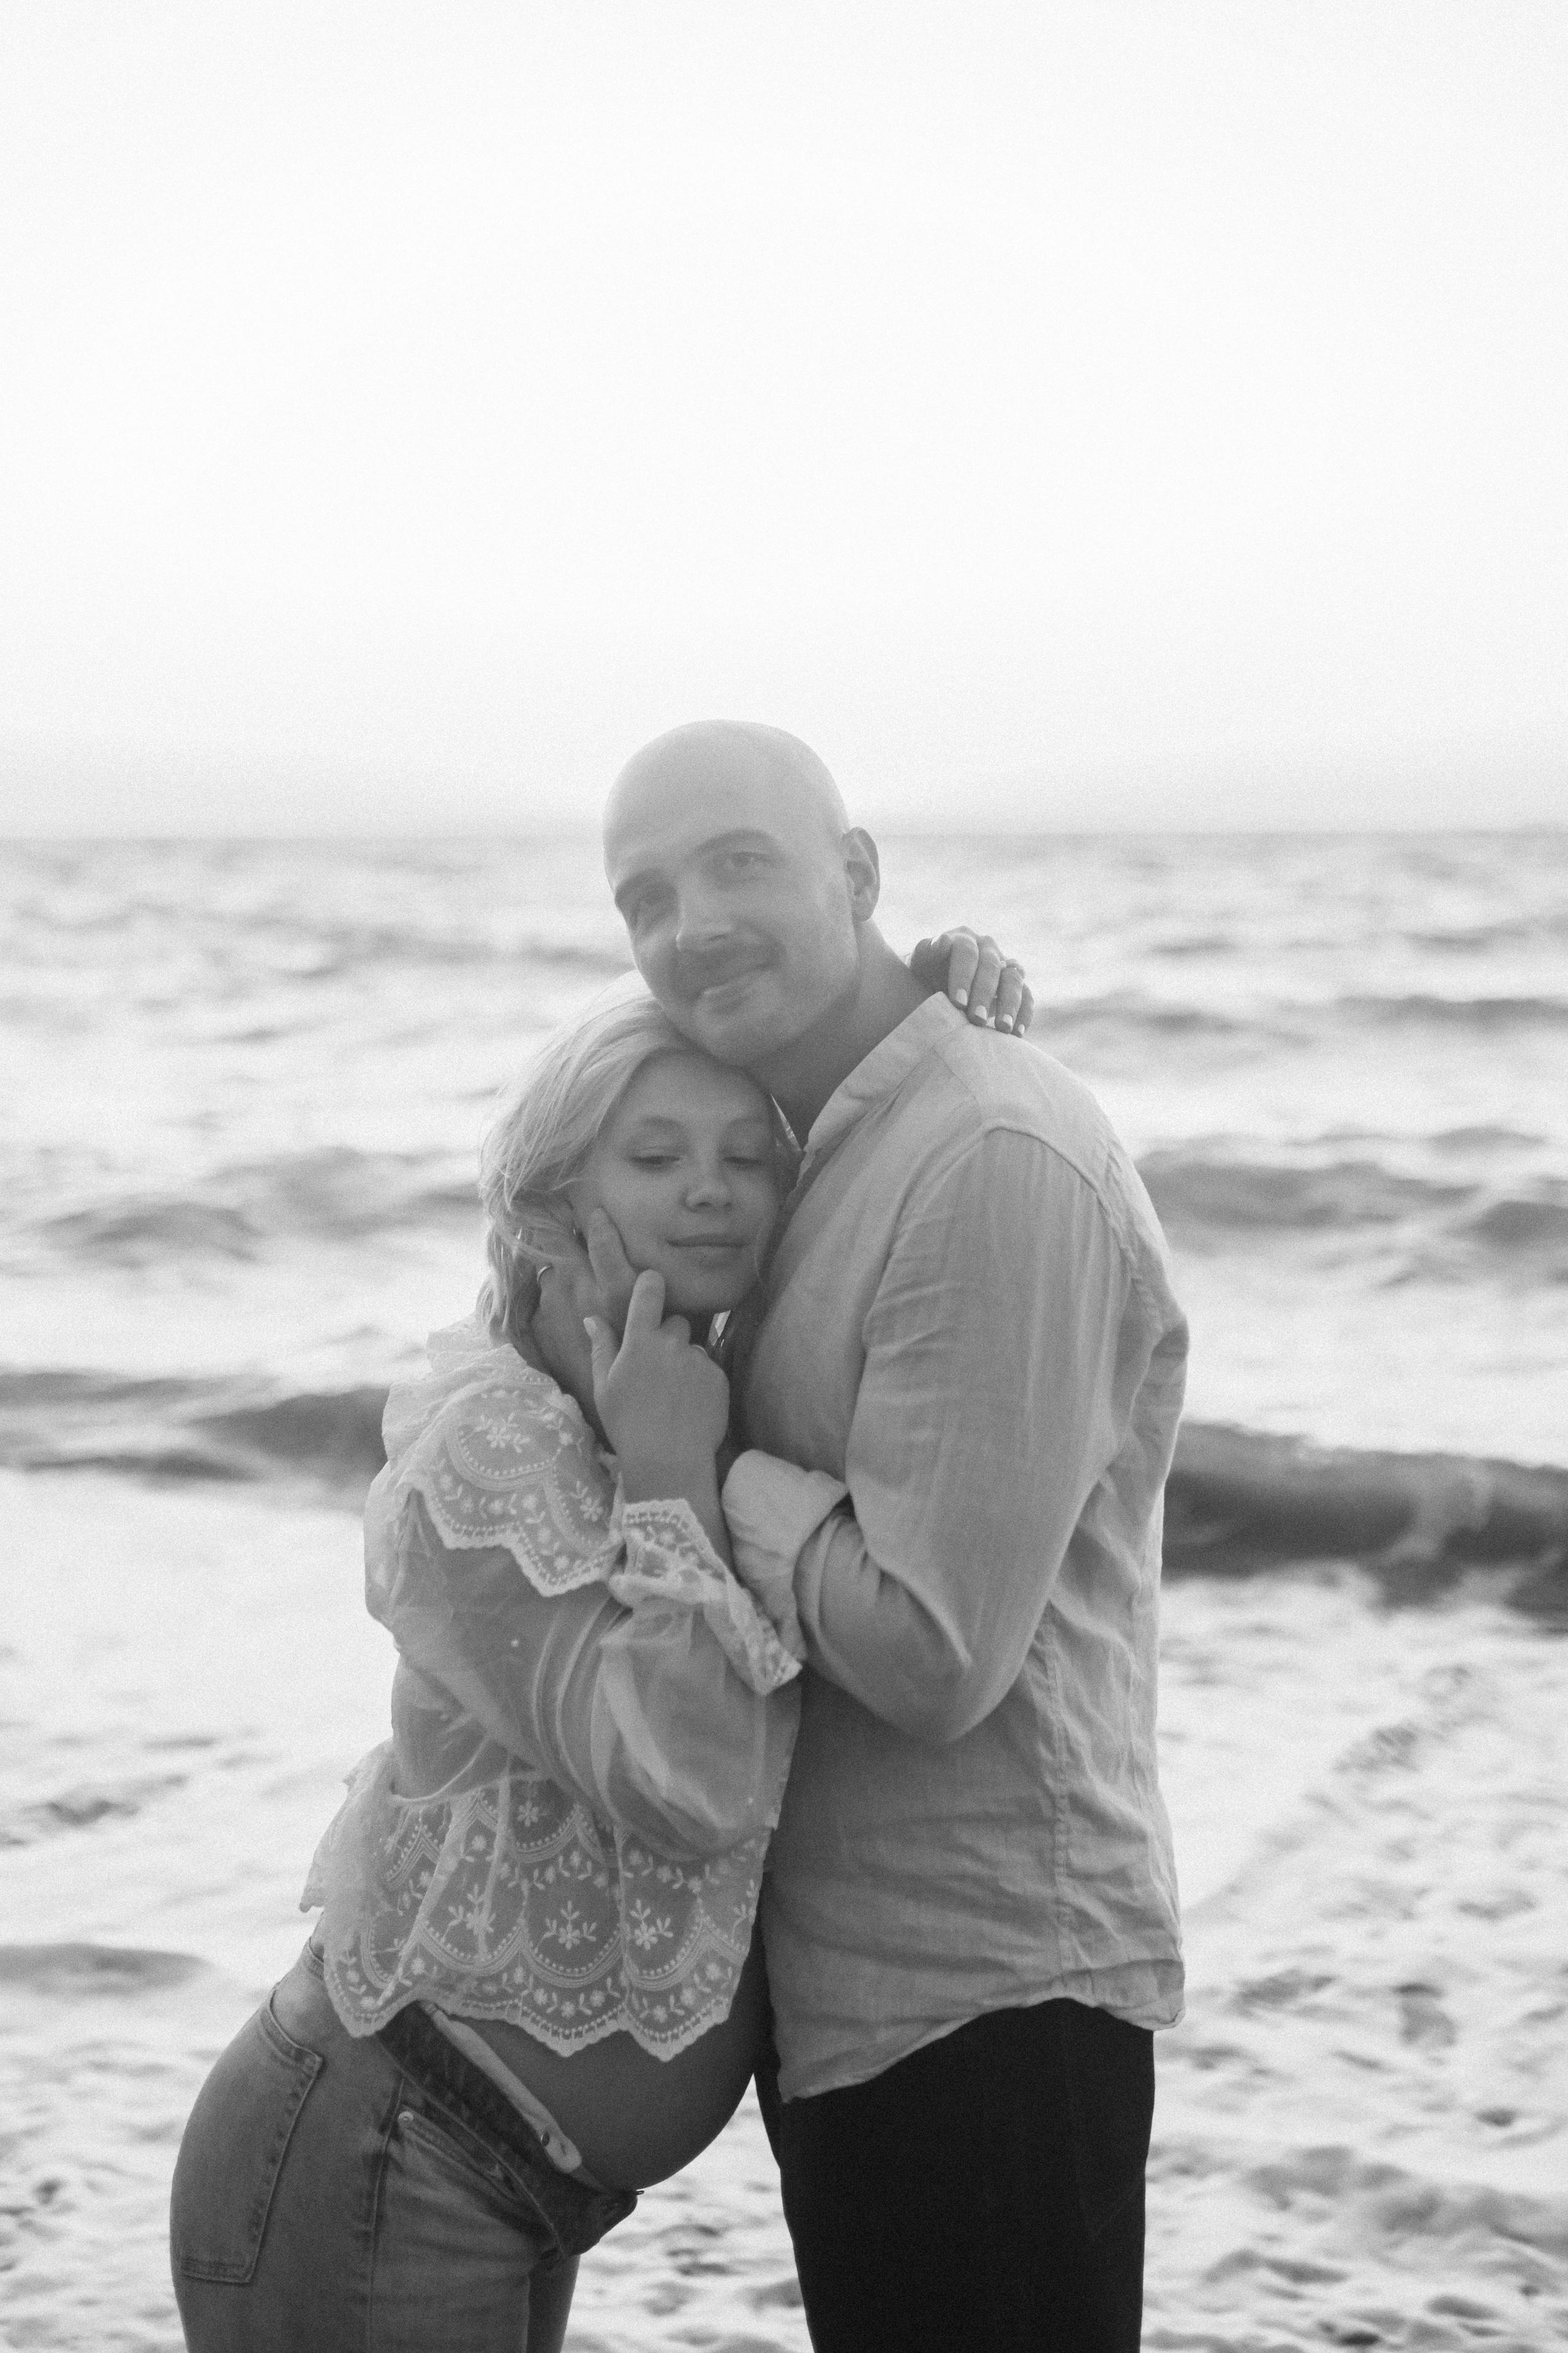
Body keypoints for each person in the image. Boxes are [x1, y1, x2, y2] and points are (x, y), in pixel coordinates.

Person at [168, 937, 1026, 2353]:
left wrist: (925, 986)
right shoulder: (491, 1445)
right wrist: (670, 1478)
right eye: (655, 1154)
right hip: (381, 2153)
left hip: (488, 2180)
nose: (710, 1187)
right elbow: (684, 1785)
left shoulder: (665, 1404)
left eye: (749, 1158)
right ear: (558, 1196)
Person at [589, 720, 1188, 2352]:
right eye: (647, 893)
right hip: (860, 1995)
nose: (690, 920)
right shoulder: (809, 1152)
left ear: (855, 873)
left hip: (988, 1995)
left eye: (738, 864)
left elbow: (935, 1656)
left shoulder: (985, 1153)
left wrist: (714, 1473)